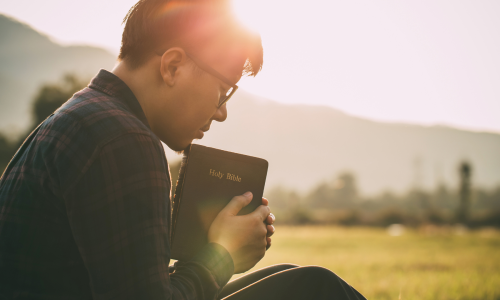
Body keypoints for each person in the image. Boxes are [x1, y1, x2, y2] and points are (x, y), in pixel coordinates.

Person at [0, 0, 366, 299]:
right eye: (223, 92)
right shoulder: (124, 140)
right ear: (173, 65)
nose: (222, 113)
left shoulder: (84, 116)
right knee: (315, 288)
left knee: (291, 276)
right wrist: (221, 255)